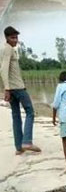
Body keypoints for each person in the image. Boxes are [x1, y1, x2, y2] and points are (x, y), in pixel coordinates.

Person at [1, 26, 41, 155]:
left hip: (12, 88)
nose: (15, 40)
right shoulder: (8, 50)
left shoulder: (6, 49)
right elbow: (3, 69)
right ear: (6, 38)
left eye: (16, 37)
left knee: (16, 115)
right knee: (30, 111)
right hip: (17, 87)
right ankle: (27, 141)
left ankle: (19, 147)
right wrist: (6, 89)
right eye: (12, 38)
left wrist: (7, 88)